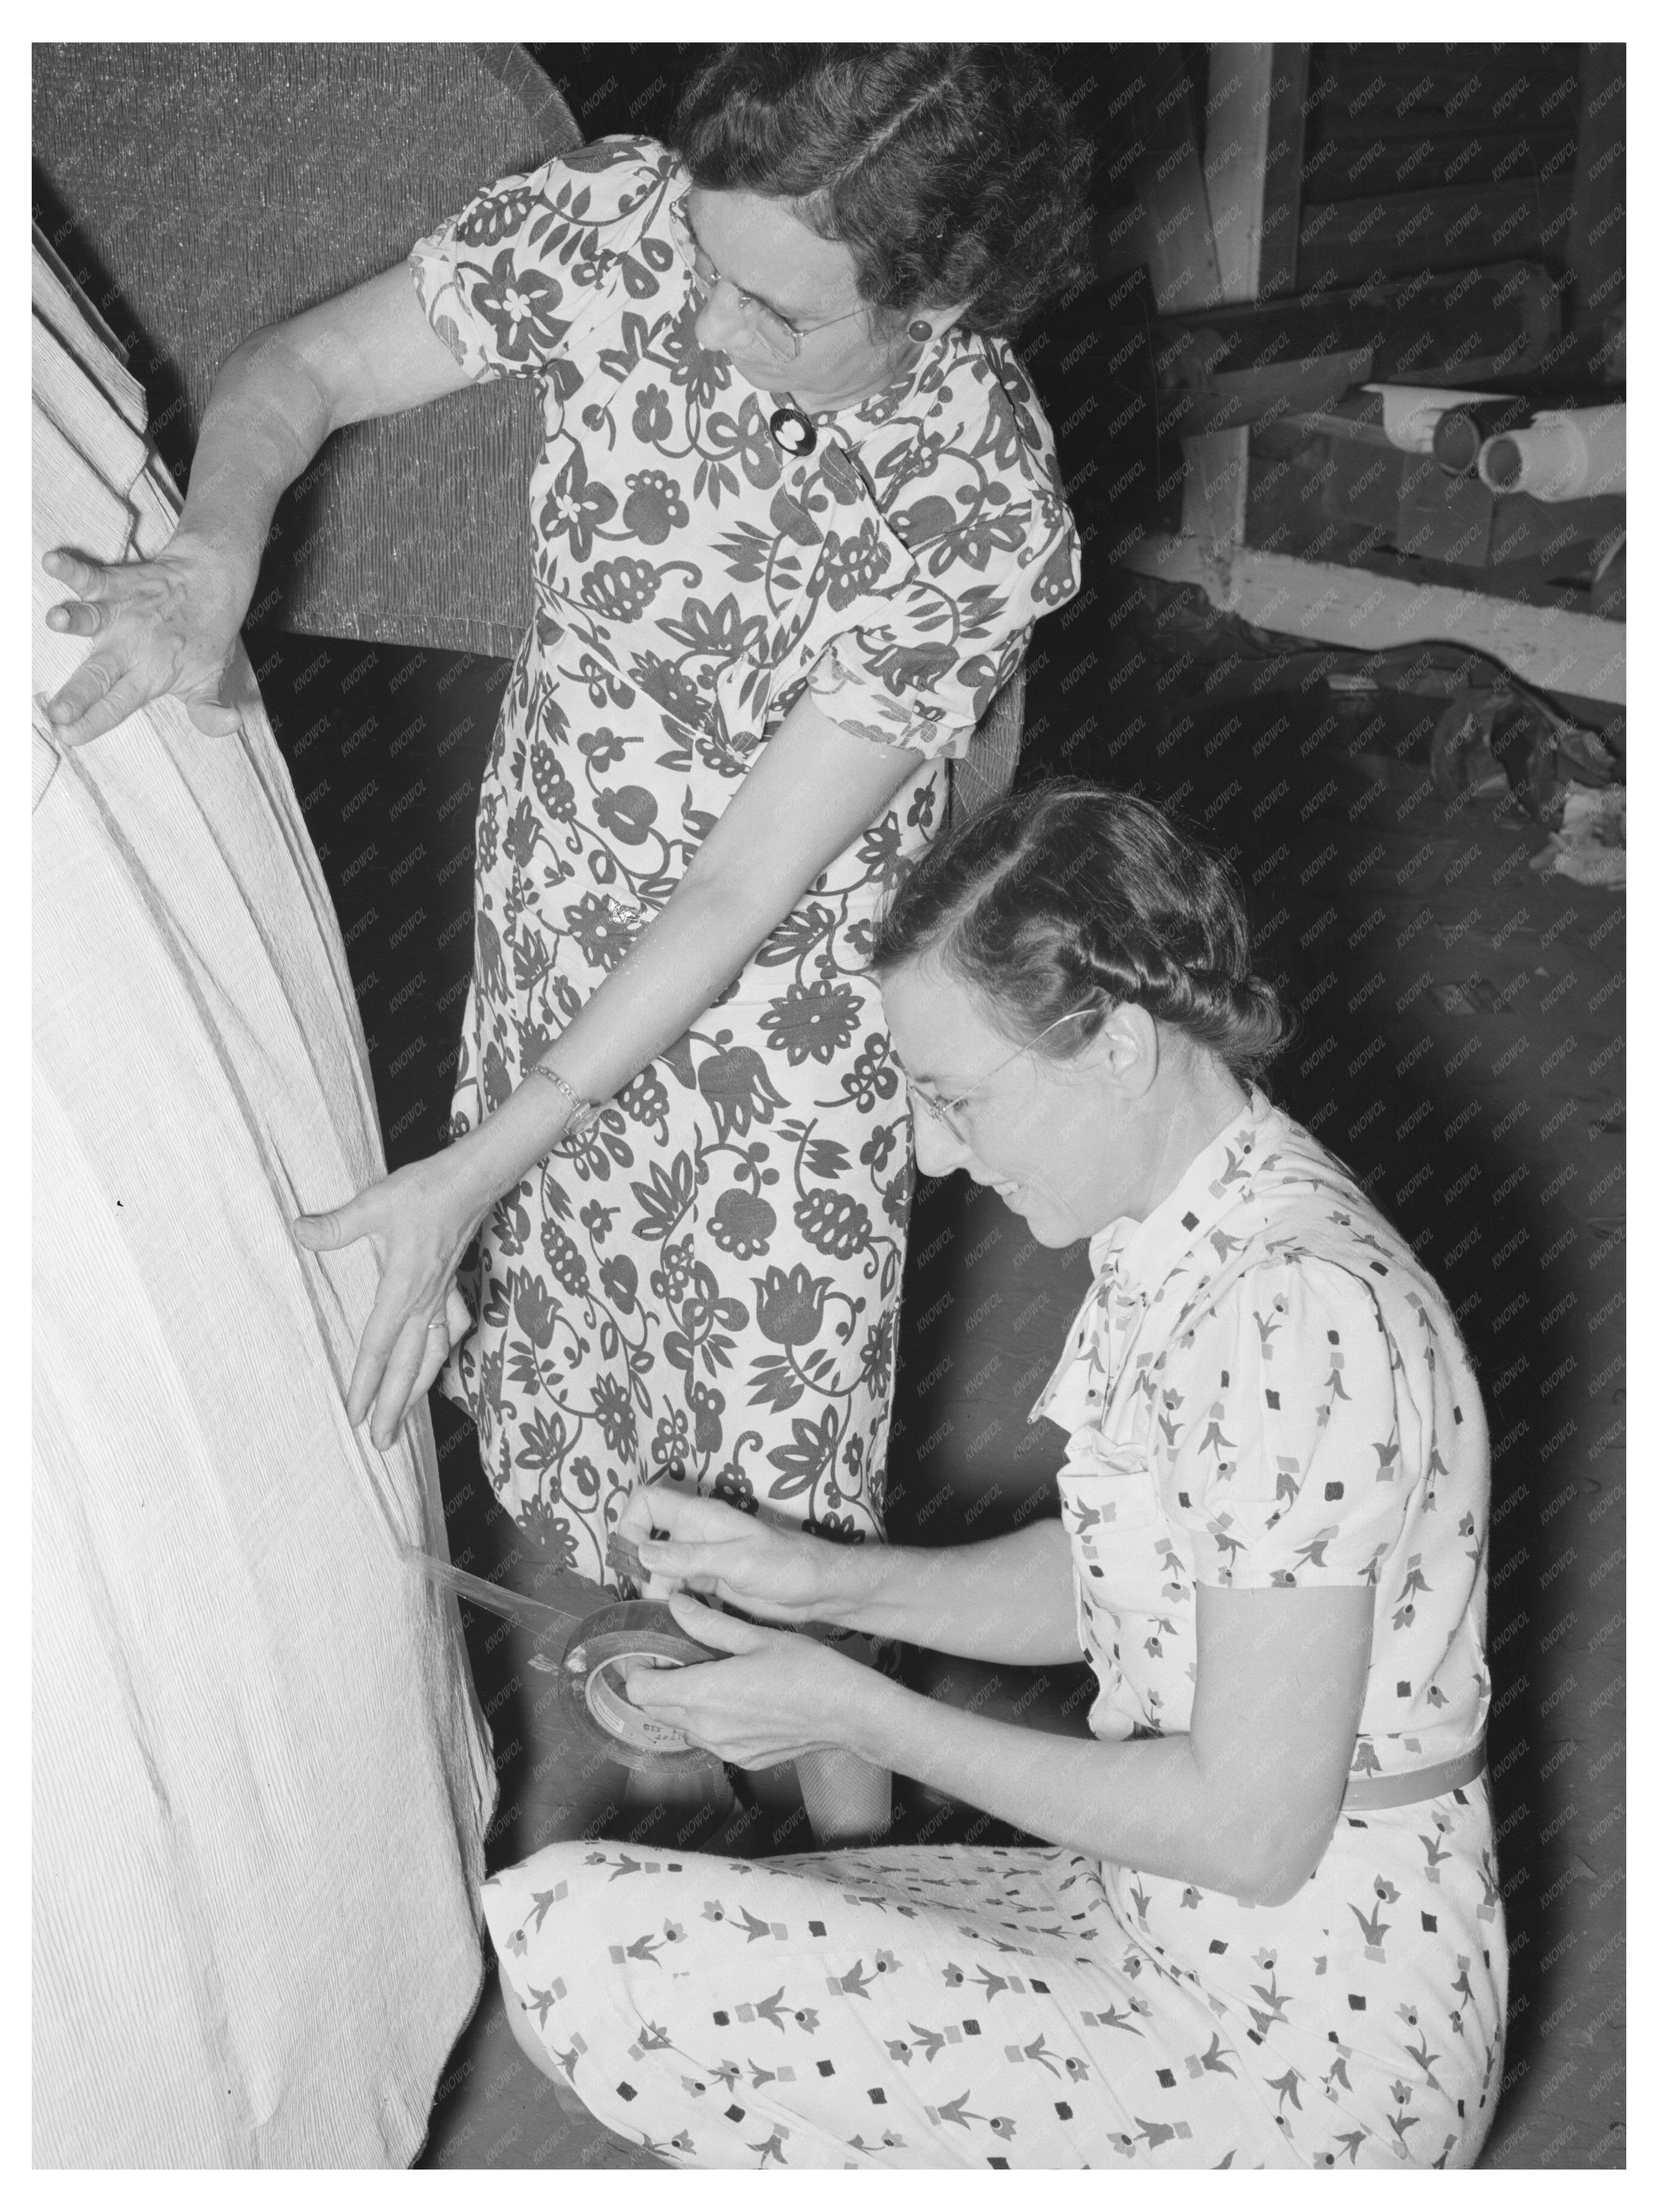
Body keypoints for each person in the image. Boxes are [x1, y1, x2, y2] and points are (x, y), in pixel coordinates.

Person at [40, 48, 1086, 1831]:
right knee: (588, 1404)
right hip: (552, 926)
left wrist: (474, 1163)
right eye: (701, 256)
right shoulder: (614, 228)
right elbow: (299, 368)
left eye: (767, 308)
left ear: (950, 298)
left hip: (784, 1036)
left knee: (786, 1515)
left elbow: (737, 895)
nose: (698, 319)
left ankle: (875, 1882)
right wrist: (221, 538)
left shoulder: (971, 496)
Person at [477, 782, 1508, 2169]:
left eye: (955, 1098)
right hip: (1167, 1920)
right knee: (633, 1929)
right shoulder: (1198, 1226)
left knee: (586, 1946)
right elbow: (1126, 1578)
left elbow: (1253, 1833)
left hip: (1298, 2044)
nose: (930, 1153)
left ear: (1120, 1046)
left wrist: (862, 1715)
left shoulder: (1292, 1307)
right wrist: (825, 1581)